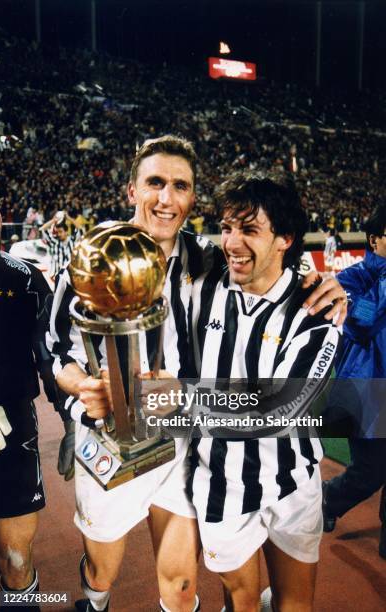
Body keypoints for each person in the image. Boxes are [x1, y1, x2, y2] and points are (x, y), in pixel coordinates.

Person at [47, 137, 348, 612]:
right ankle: (94, 598)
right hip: (108, 436)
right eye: (155, 183)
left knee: (182, 585)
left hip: (180, 440)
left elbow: (268, 264)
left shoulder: (205, 262)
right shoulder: (93, 256)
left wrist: (324, 282)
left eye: (180, 186)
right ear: (131, 190)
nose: (166, 199)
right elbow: (54, 347)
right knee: (103, 567)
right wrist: (78, 387)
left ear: (191, 199)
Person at [187, 173, 342, 612]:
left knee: (294, 605)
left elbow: (277, 409)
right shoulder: (210, 278)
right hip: (221, 483)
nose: (232, 242)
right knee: (241, 602)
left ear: (285, 238)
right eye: (227, 226)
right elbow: (163, 227)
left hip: (292, 483)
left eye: (249, 230)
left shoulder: (317, 309)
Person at [0, 202, 58, 611]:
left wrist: (76, 423)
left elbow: (53, 354)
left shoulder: (26, 280)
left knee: (15, 558)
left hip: (13, 428)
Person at [322, 204, 386, 560]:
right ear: (375, 239)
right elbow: (361, 321)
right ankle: (328, 498)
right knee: (369, 471)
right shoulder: (350, 279)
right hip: (369, 390)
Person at [40, 211, 82, 280]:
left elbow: (80, 228)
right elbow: (42, 229)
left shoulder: (72, 240)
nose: (58, 234)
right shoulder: (54, 241)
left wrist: (69, 218)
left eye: (60, 232)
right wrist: (54, 220)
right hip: (58, 276)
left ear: (66, 232)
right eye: (57, 232)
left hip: (71, 276)